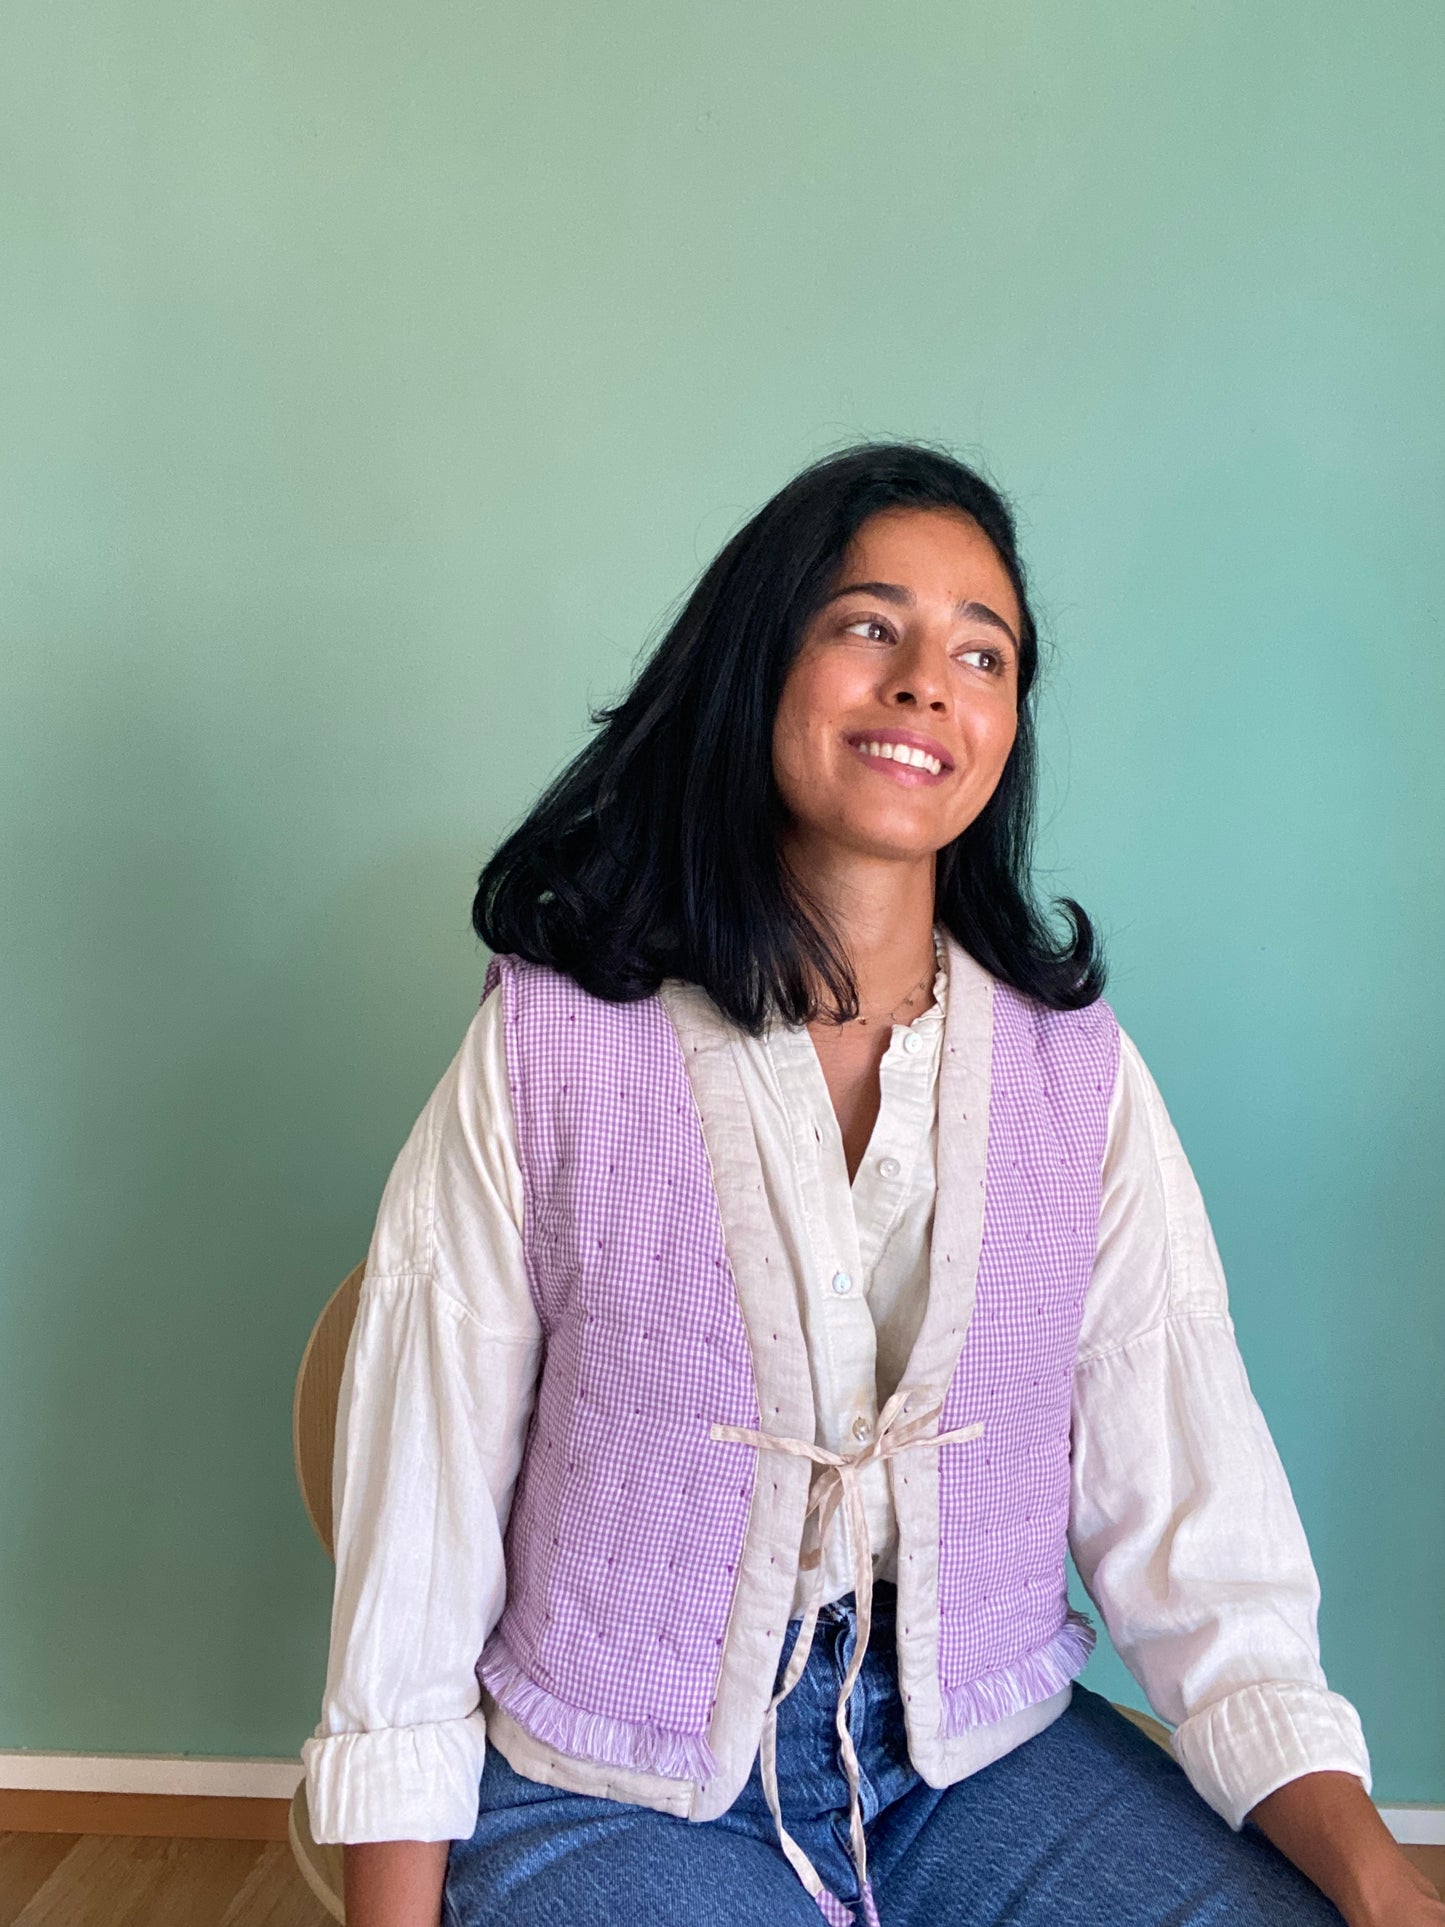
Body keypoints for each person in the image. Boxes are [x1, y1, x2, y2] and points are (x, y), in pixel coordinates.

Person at [302, 444, 1441, 1927]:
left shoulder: (1072, 1075)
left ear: (1003, 727)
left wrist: (1380, 1885)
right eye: (866, 625)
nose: (925, 681)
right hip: (608, 1785)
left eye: (983, 653)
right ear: (756, 663)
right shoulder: (550, 1048)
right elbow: (422, 1522)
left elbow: (1194, 1520)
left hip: (980, 1763)